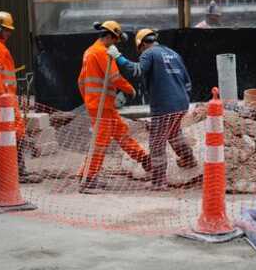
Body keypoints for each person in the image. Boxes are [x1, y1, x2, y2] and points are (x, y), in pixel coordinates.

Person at [108, 29, 197, 189]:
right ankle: (188, 159)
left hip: (165, 106)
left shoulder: (149, 53)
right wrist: (179, 99)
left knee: (156, 143)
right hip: (182, 103)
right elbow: (187, 82)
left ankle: (158, 182)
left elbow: (136, 71)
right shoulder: (173, 54)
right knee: (174, 133)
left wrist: (118, 57)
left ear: (141, 44)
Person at [77, 21, 151, 192]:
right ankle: (89, 178)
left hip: (101, 104)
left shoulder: (89, 51)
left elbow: (80, 80)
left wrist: (88, 100)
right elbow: (115, 77)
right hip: (101, 105)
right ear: (109, 36)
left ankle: (144, 159)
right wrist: (129, 89)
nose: (116, 43)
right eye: (116, 39)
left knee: (121, 132)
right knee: (100, 141)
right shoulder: (102, 53)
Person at [0, 11, 41, 184]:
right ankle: (15, 172)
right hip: (2, 101)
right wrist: (3, 98)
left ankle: (4, 171)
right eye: (6, 29)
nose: (9, 33)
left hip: (0, 100)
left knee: (0, 134)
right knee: (13, 132)